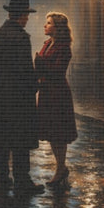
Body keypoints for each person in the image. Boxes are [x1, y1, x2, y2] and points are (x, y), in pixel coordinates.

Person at [0, 0, 43, 196]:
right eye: (27, 14)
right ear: (21, 15)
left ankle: (2, 178)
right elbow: (26, 69)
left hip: (2, 94)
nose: (28, 19)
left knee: (2, 139)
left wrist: (5, 80)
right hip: (20, 96)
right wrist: (34, 85)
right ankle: (22, 180)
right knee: (20, 140)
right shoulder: (21, 37)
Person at [35, 11, 78, 187]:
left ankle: (60, 168)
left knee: (59, 131)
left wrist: (40, 65)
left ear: (58, 27)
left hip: (57, 92)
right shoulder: (47, 44)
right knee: (52, 132)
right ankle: (61, 167)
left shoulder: (63, 47)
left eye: (49, 23)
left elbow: (58, 71)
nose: (45, 25)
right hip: (46, 91)